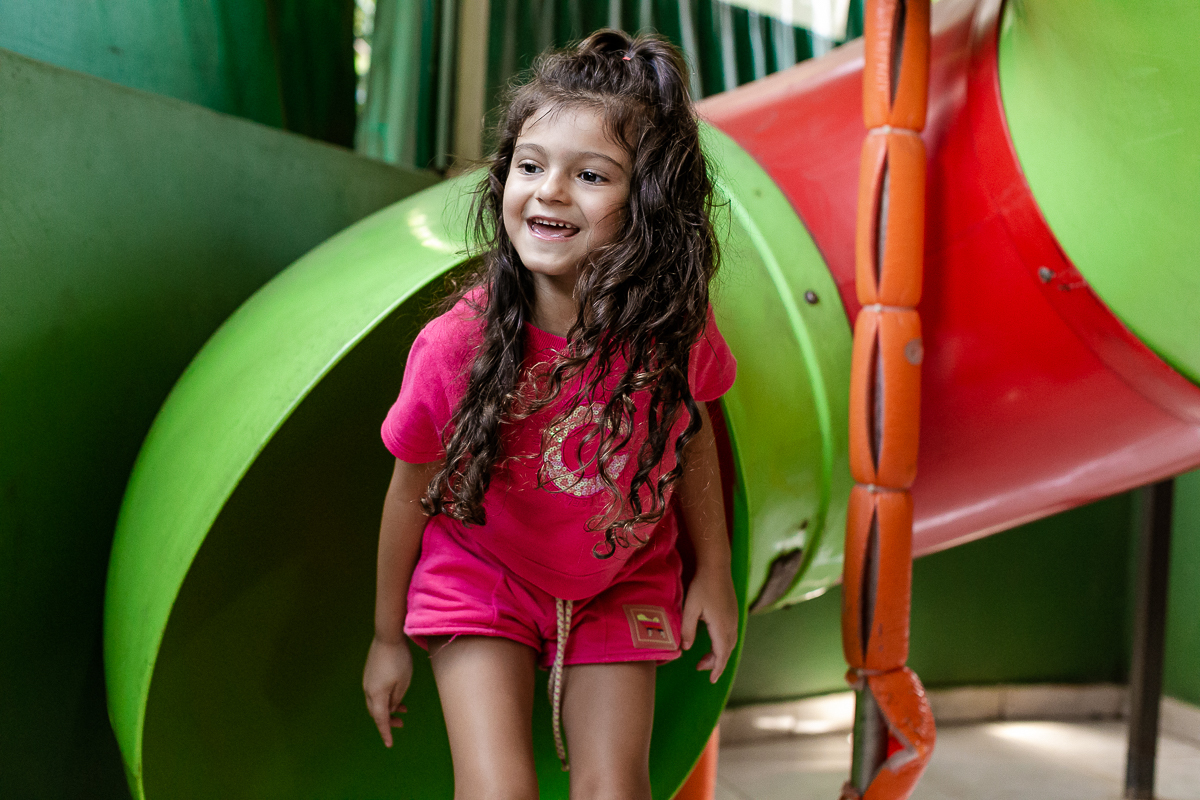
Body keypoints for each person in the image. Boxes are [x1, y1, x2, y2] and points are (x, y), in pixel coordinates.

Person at [362, 29, 738, 800]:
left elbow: (692, 436)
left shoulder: (675, 332)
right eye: (530, 167)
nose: (550, 191)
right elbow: (409, 490)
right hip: (482, 572)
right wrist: (385, 636)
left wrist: (717, 571)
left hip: (619, 577)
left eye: (591, 175)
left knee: (616, 790)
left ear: (648, 205)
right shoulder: (454, 346)